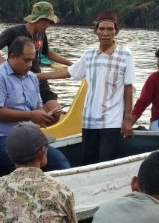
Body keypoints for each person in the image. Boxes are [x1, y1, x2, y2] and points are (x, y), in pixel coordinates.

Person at [38, 11, 135, 165]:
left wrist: (128, 119)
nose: (106, 33)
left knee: (105, 162)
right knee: (88, 161)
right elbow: (69, 73)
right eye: (101, 29)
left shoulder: (126, 55)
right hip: (89, 119)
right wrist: (36, 77)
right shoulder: (89, 54)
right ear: (95, 30)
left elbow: (128, 88)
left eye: (110, 29)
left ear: (116, 31)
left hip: (112, 121)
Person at [0, 37, 71, 173]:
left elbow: (37, 109)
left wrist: (47, 117)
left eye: (32, 60)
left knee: (59, 162)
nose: (30, 65)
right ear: (12, 57)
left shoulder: (32, 78)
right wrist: (32, 115)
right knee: (29, 166)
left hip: (25, 136)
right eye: (26, 60)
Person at [0, 1, 73, 114]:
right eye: (45, 21)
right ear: (36, 19)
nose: (47, 25)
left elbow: (48, 53)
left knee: (56, 112)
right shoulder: (14, 31)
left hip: (38, 79)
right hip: (20, 78)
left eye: (49, 22)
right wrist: (3, 63)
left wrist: (72, 64)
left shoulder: (41, 34)